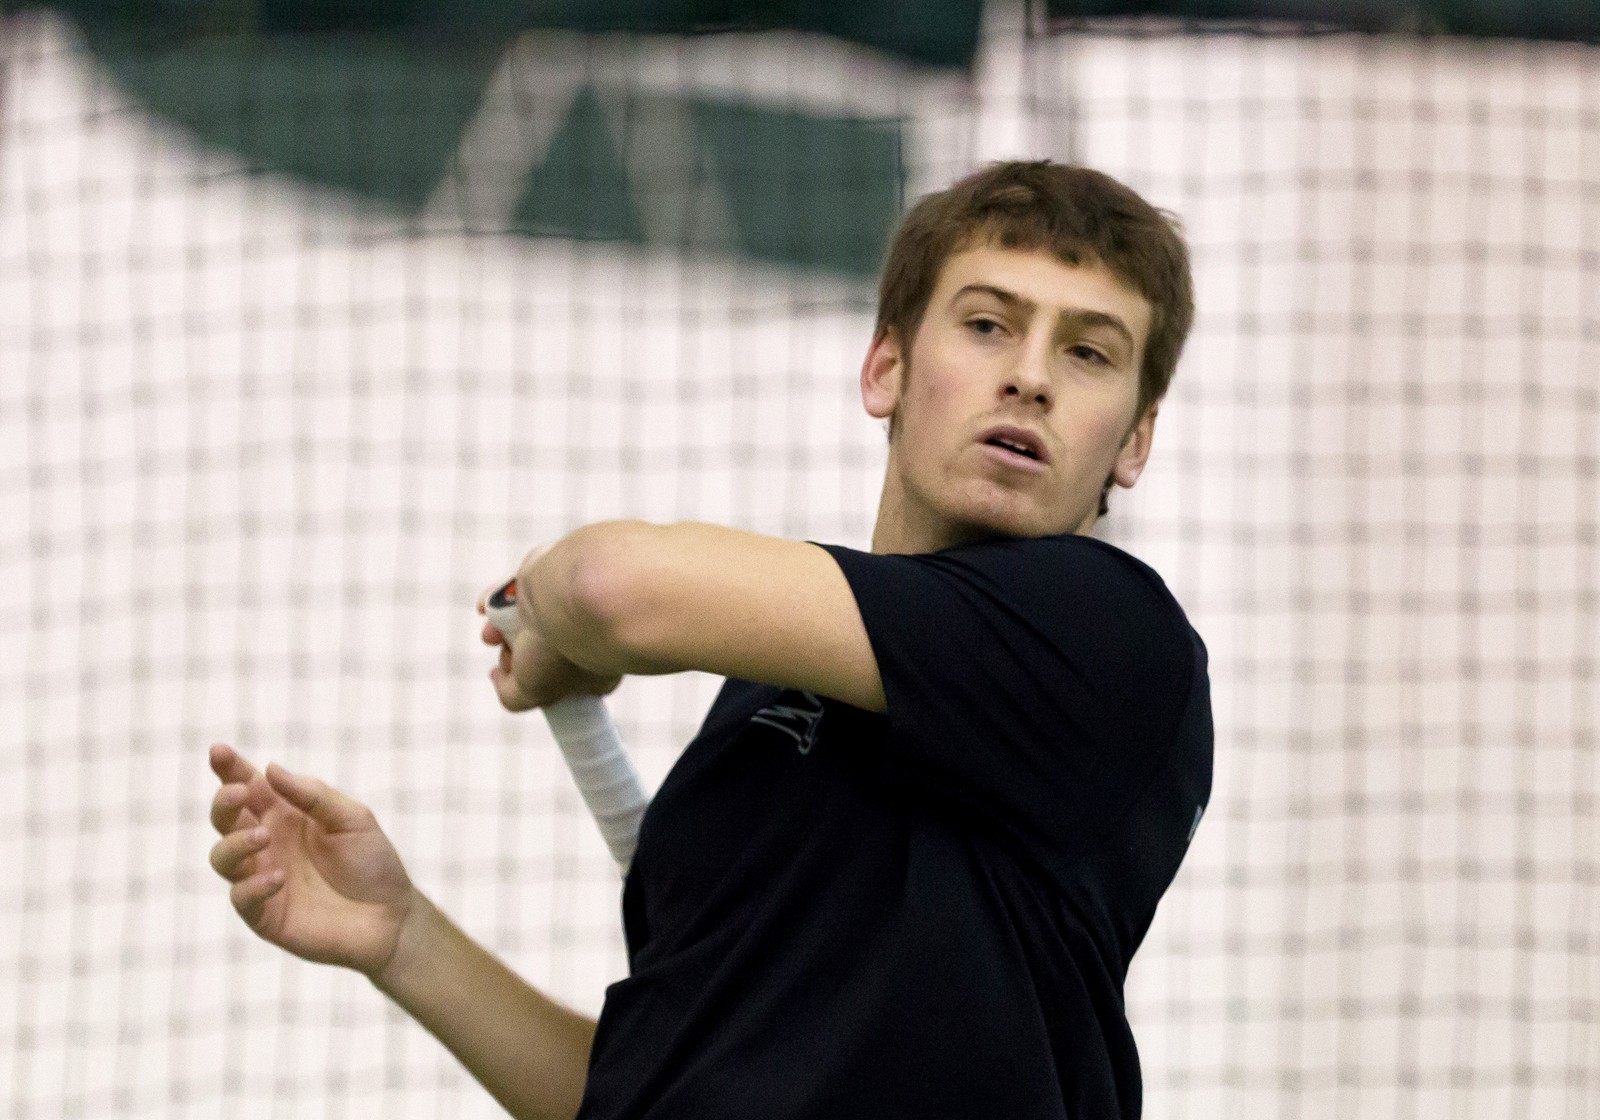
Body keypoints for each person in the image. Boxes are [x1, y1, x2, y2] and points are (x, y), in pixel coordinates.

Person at [206, 159, 1213, 1120]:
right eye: (988, 324)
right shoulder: (767, 696)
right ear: (886, 367)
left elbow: (609, 584)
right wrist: (404, 937)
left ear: (1133, 441)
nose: (1030, 377)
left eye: (1087, 351)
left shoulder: (1111, 634)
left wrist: (559, 626)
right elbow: (650, 1084)